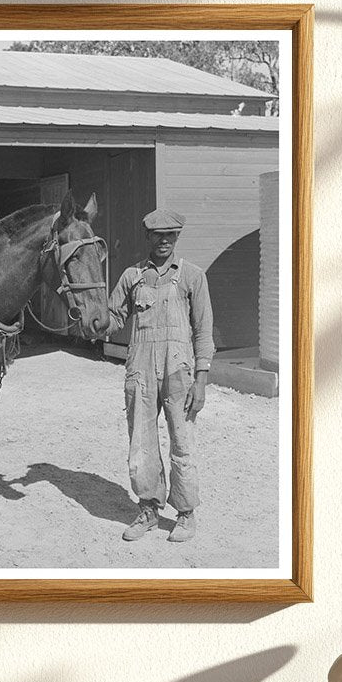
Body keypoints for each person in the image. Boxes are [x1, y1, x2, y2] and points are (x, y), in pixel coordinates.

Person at [108, 209, 214, 543]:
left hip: (178, 371)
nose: (164, 240)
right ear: (148, 237)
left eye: (170, 234)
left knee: (182, 443)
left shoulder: (191, 277)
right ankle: (149, 509)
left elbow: (203, 333)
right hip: (140, 369)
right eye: (158, 235)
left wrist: (201, 379)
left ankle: (185, 513)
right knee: (141, 443)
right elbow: (112, 319)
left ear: (178, 237)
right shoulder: (132, 277)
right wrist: (91, 316)